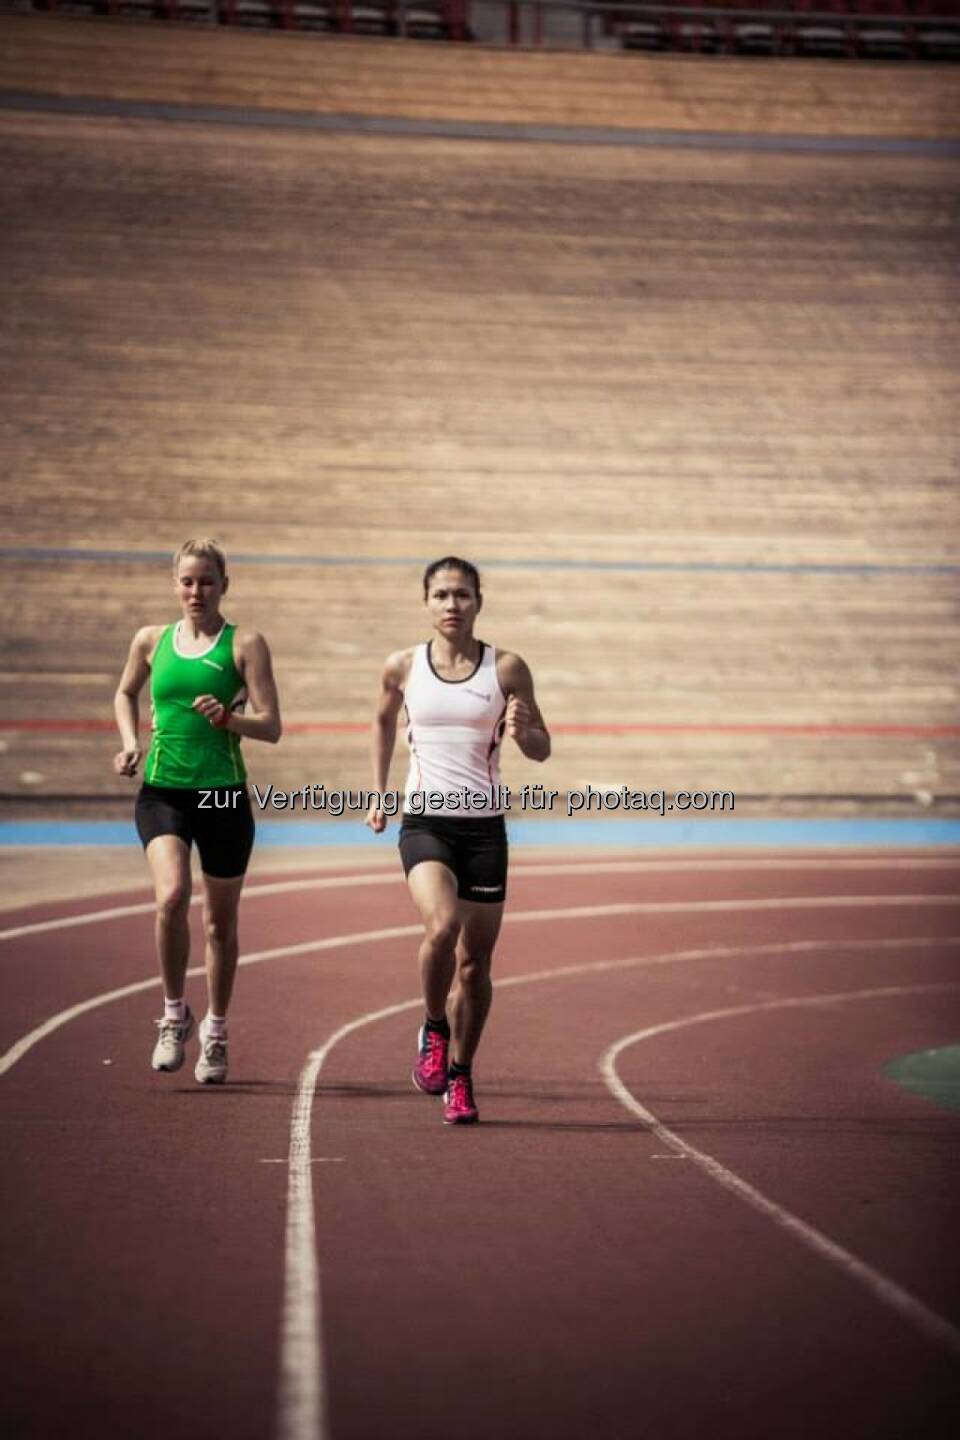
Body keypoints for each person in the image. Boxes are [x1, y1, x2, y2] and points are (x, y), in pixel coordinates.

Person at [365, 556, 550, 1124]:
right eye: (442, 595)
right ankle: (435, 1027)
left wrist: (524, 734)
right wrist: (378, 791)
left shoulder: (508, 668)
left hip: (484, 828)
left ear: (478, 602)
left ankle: (463, 1077)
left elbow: (542, 747)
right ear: (426, 602)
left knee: (474, 967)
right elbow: (381, 722)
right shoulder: (402, 666)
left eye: (462, 595)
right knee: (441, 926)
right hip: (425, 822)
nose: (452, 605)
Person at [113, 538, 281, 1084]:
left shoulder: (245, 644)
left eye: (206, 581)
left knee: (219, 922)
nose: (196, 591)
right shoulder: (150, 640)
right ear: (175, 584)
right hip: (164, 791)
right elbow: (125, 694)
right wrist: (130, 740)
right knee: (171, 897)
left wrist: (229, 721)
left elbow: (272, 725)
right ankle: (171, 1014)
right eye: (187, 581)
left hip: (222, 794)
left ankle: (216, 1029)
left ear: (223, 585)